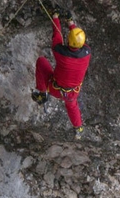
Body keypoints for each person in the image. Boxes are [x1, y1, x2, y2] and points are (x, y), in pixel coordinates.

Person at [32, 9, 91, 140]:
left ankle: (42, 94)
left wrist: (55, 17)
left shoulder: (61, 53)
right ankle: (78, 127)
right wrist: (71, 23)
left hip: (55, 89)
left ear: (69, 41)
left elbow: (57, 35)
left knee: (41, 61)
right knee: (72, 106)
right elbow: (77, 39)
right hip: (72, 93)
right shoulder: (87, 53)